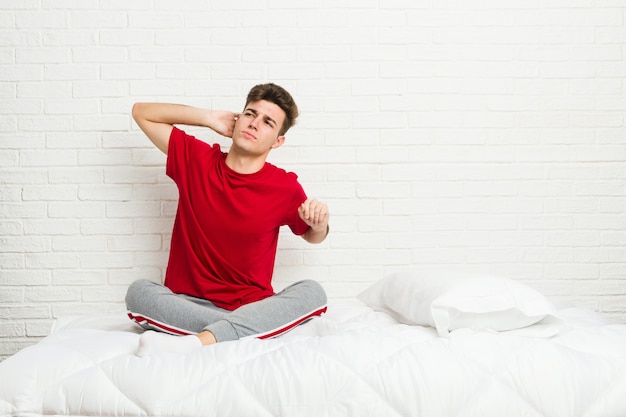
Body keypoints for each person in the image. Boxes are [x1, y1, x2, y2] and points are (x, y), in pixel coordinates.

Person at [125, 83, 329, 356]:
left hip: (251, 306)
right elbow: (141, 113)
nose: (255, 123)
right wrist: (207, 118)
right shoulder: (197, 160)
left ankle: (200, 341)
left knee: (313, 292)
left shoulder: (284, 187)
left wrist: (319, 225)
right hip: (187, 305)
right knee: (139, 293)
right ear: (237, 119)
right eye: (250, 114)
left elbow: (312, 235)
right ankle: (239, 331)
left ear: (277, 141)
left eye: (267, 122)